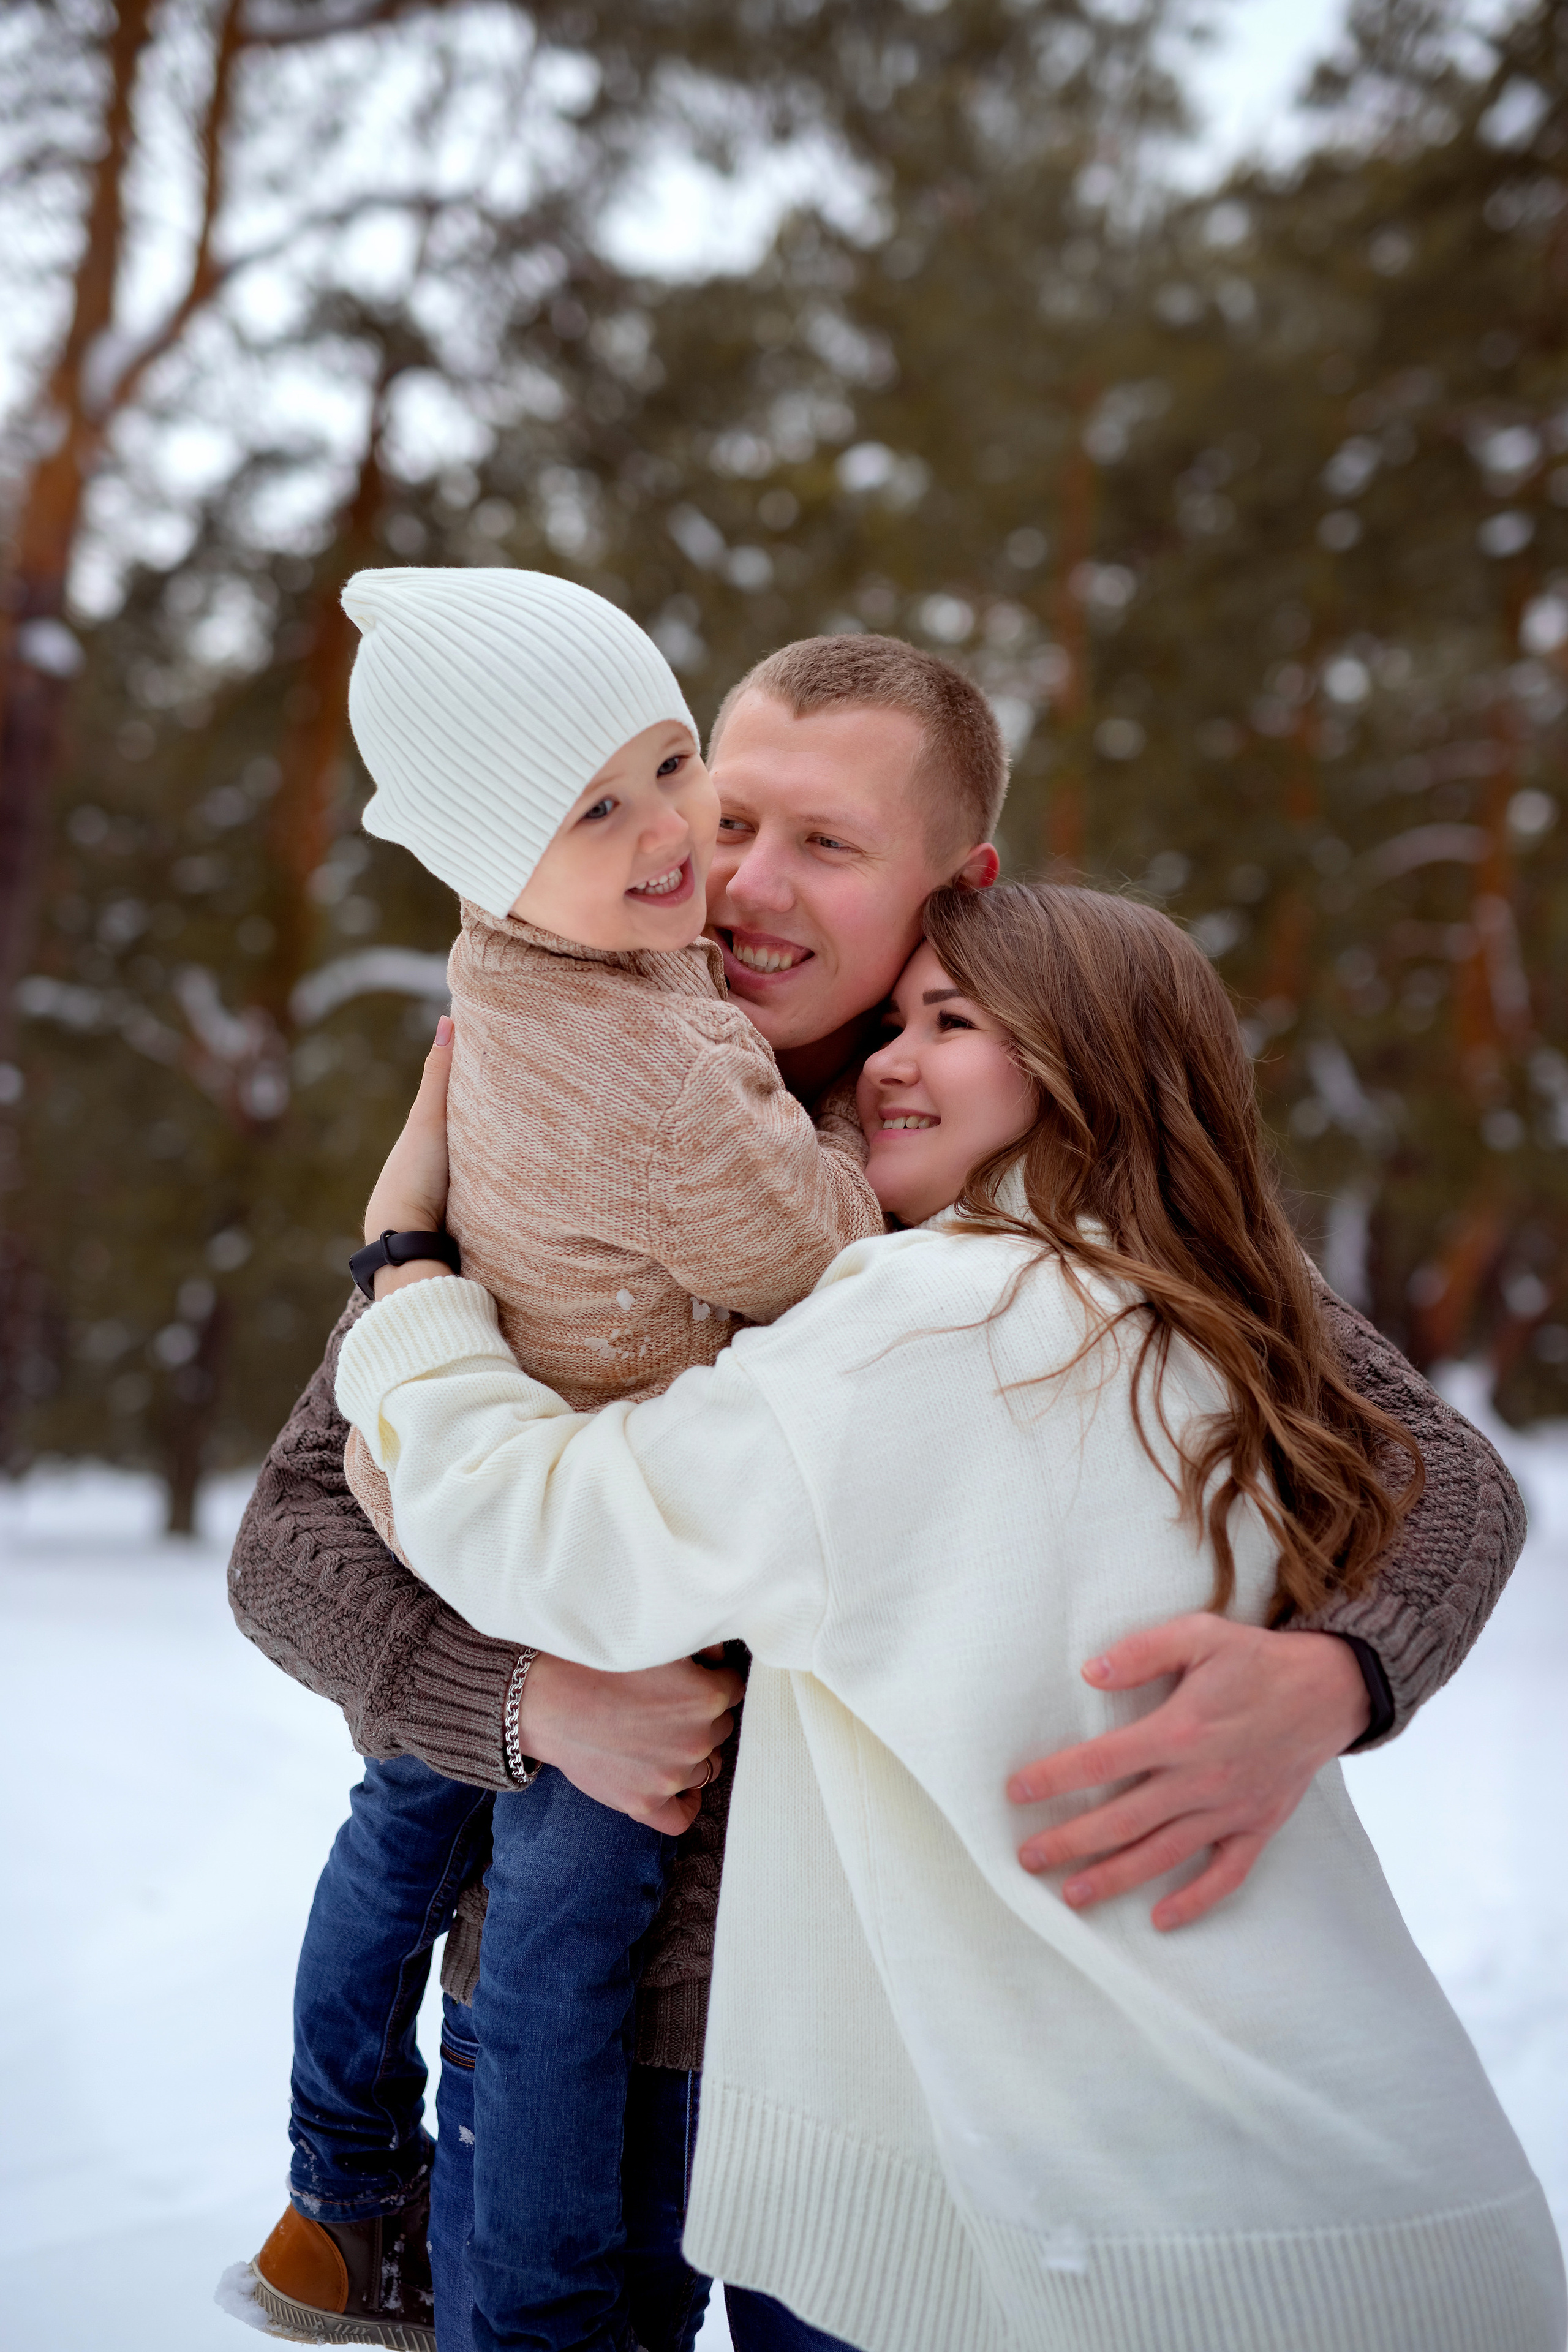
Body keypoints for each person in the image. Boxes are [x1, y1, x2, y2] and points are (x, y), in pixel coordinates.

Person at [229, 633, 1526, 2350]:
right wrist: (525, 1700)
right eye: (733, 811)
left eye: (828, 847)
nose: (745, 883)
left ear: (956, 883)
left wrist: (1333, 1672)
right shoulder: (571, 1093)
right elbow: (293, 1533)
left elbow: (1436, 1464)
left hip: (883, 2049)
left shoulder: (1003, 1136)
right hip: (562, 2017)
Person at [248, 567, 886, 2352]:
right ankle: (418, 2235)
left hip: (485, 1497)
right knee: (557, 1914)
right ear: (478, 861)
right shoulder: (673, 1063)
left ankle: (345, 2190)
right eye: (601, 809)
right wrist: (525, 1692)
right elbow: (818, 1250)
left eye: (673, 768)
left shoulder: (522, 976)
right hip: (588, 1576)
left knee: (418, 1828)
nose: (690, 844)